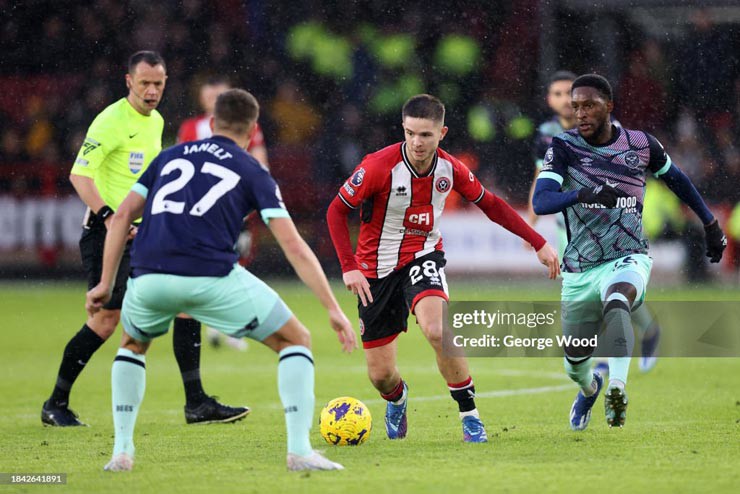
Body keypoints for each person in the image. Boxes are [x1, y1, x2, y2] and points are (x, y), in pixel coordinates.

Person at [86, 88, 356, 472]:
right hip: (209, 276)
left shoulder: (168, 156)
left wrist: (104, 282)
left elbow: (123, 215)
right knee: (295, 340)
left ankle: (122, 453)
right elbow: (293, 246)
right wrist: (332, 308)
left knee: (132, 345)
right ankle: (298, 451)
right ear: (252, 129)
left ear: (212, 124)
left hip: (148, 277)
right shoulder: (250, 169)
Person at [326, 94, 560, 443]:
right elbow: (335, 210)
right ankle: (398, 398)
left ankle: (471, 418)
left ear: (442, 133)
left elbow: (491, 205)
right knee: (381, 376)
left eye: (425, 135)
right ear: (403, 130)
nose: (417, 143)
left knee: (438, 331)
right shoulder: (377, 166)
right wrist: (349, 267)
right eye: (410, 134)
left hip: (423, 256)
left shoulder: (451, 169)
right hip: (374, 270)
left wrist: (538, 241)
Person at [42, 51, 247, 427]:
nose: (152, 91)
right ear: (128, 82)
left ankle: (197, 403)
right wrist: (108, 217)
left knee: (187, 300)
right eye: (145, 84)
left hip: (146, 232)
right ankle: (55, 403)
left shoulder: (155, 121)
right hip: (106, 233)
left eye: (158, 84)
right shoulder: (110, 121)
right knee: (107, 321)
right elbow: (79, 176)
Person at [533, 74, 727, 430]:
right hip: (579, 268)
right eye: (575, 107)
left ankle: (617, 390)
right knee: (574, 363)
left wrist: (710, 224)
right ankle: (590, 389)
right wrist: (582, 194)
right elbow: (541, 200)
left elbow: (677, 179)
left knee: (618, 302)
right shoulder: (563, 147)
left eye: (588, 105)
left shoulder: (640, 144)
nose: (581, 113)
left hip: (628, 254)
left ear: (609, 106)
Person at [528, 71, 662, 376]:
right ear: (550, 100)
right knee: (590, 291)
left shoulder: (606, 130)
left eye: (569, 94)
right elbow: (541, 180)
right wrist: (531, 222)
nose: (565, 101)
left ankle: (622, 348)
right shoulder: (548, 134)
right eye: (558, 95)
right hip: (571, 227)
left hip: (612, 225)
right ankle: (630, 336)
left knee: (612, 291)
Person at [178, 76, 269, 351]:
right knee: (207, 268)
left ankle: (226, 326)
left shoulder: (248, 128)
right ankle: (218, 324)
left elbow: (260, 162)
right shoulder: (190, 128)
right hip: (199, 213)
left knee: (235, 265)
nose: (215, 101)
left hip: (235, 210)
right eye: (210, 96)